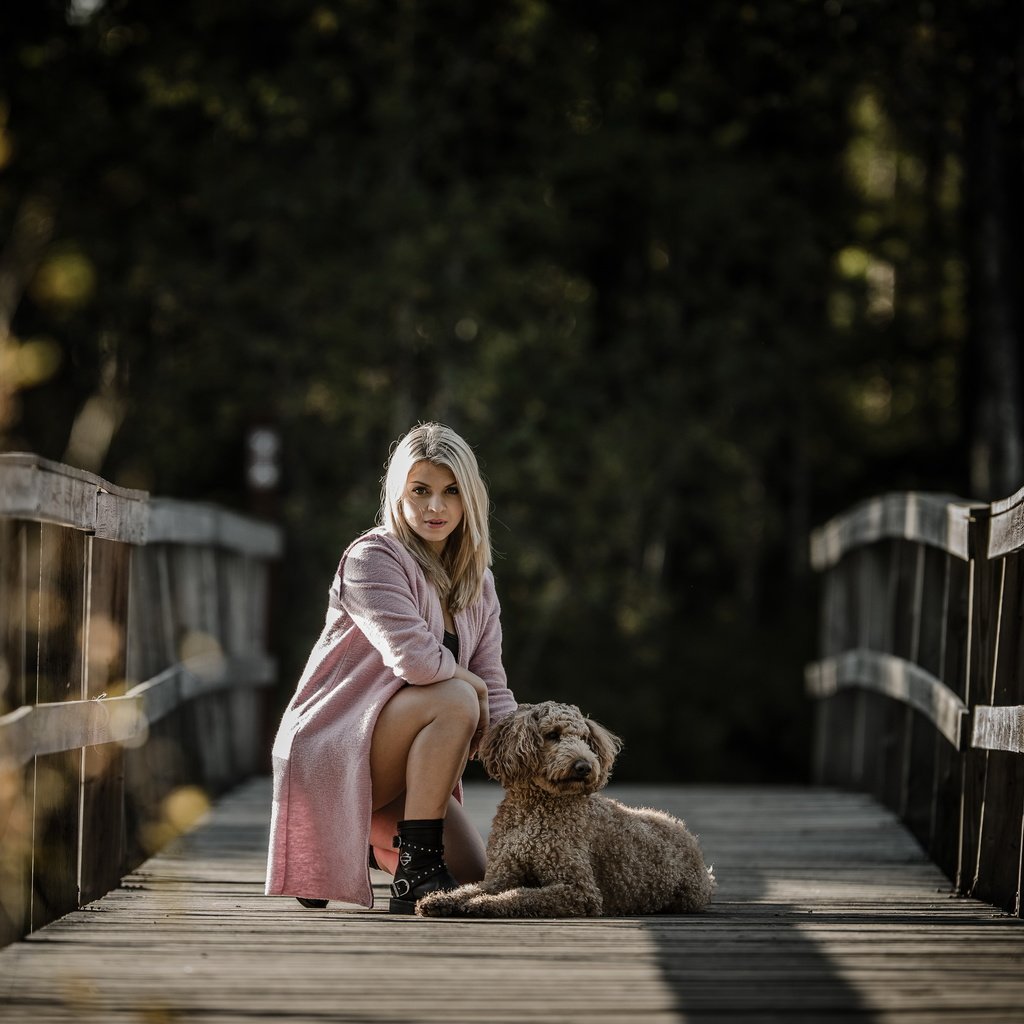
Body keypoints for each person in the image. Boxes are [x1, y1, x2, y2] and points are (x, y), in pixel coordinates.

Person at [265, 422, 516, 914]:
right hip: (335, 746)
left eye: (450, 492)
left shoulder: (478, 582)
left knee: (477, 873)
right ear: (398, 492)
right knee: (456, 697)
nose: (435, 507)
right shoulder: (372, 557)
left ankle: (367, 845)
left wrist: (526, 762)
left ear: (470, 500)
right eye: (420, 491)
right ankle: (414, 872)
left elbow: (496, 685)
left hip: (404, 768)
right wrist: (476, 692)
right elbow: (418, 663)